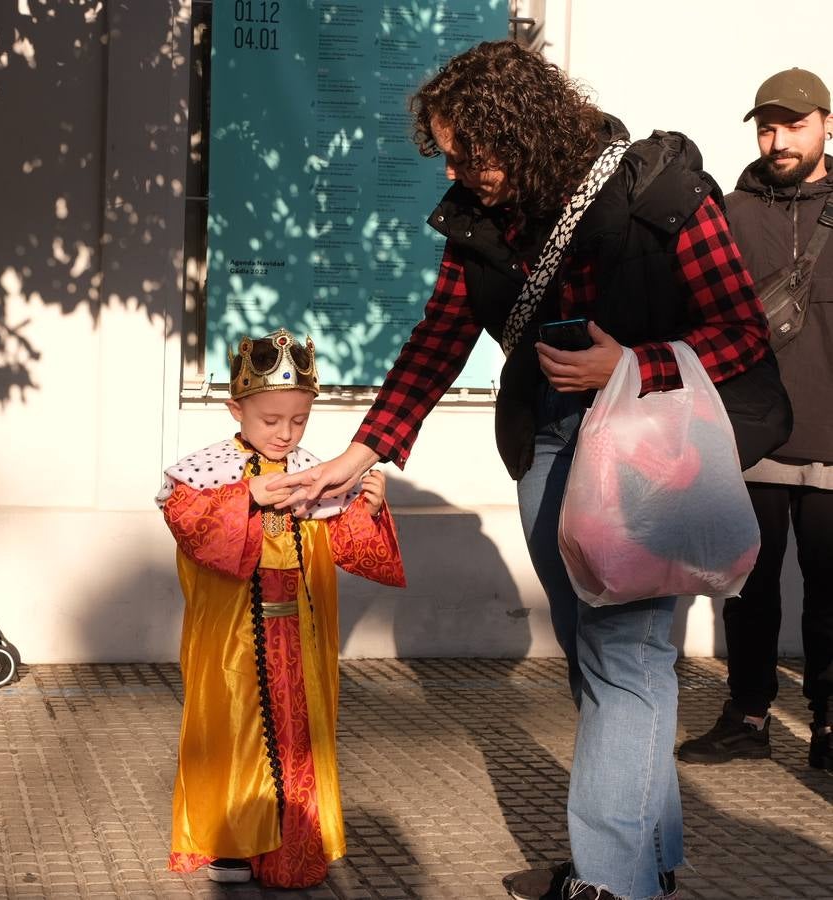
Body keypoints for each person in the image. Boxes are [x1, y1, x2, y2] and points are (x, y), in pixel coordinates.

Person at [275, 41, 771, 900]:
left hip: (650, 449)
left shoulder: (660, 189)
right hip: (549, 443)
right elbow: (439, 336)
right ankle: (642, 866)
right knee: (607, 662)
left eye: (471, 151)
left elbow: (741, 333)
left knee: (628, 658)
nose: (462, 173)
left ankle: (610, 882)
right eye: (449, 157)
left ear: (524, 127)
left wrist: (634, 361)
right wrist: (359, 454)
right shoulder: (485, 219)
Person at [157, 329, 406, 888]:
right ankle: (231, 843)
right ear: (235, 409)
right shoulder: (205, 471)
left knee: (298, 737)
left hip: (298, 638)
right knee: (234, 728)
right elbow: (189, 526)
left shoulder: (320, 472)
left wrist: (366, 506)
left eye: (298, 420)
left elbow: (353, 549)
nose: (285, 433)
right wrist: (245, 497)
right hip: (235, 641)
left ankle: (294, 843)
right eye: (270, 420)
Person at [677, 68, 833, 772]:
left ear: (826, 124)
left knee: (831, 594)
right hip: (750, 439)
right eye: (767, 126)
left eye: (794, 124)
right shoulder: (731, 213)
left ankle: (829, 726)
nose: (778, 139)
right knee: (749, 586)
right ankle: (747, 714)